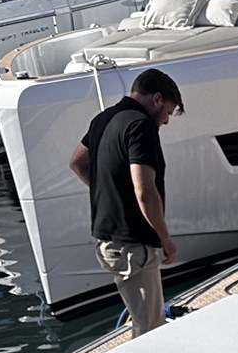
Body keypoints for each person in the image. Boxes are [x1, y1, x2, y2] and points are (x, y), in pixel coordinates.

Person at [68, 68, 183, 336]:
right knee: (151, 330)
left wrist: (110, 192)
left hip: (108, 240)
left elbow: (77, 163)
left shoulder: (103, 119)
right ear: (157, 99)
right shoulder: (141, 126)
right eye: (168, 112)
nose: (166, 121)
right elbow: (145, 191)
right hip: (133, 245)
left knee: (144, 322)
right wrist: (165, 238)